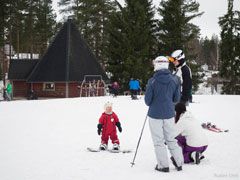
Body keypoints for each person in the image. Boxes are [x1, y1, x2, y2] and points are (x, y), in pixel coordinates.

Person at [145, 56, 183, 173]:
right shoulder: (174, 80)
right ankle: (179, 163)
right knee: (171, 139)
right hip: (169, 114)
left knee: (158, 141)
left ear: (157, 65)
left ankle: (163, 165)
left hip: (155, 115)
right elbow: (176, 99)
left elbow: (147, 101)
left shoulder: (152, 81)